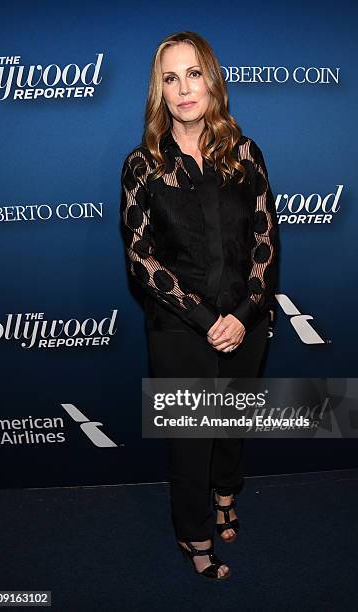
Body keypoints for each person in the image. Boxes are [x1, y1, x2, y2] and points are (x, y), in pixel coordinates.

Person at [120, 31, 280, 580]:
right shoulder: (143, 165)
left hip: (247, 319)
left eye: (194, 73)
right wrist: (207, 319)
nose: (184, 88)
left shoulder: (245, 153)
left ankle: (227, 492)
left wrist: (243, 313)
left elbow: (264, 242)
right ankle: (193, 535)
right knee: (190, 440)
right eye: (171, 77)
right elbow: (141, 260)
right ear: (159, 92)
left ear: (212, 79)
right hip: (180, 327)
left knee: (230, 427)